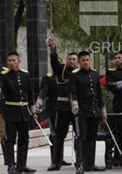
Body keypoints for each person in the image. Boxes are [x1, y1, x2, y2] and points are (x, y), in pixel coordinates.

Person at [0, 51, 37, 173]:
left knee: (24, 139)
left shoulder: (25, 75)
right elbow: (0, 85)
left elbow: (30, 94)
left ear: (19, 61)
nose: (11, 63)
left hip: (24, 112)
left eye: (13, 60)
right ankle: (11, 165)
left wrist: (33, 111)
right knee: (10, 139)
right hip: (10, 112)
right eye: (9, 61)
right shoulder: (4, 75)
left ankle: (22, 165)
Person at [69, 51, 107, 173]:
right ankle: (80, 164)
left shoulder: (95, 74)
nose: (86, 62)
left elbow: (99, 94)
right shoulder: (75, 75)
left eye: (87, 60)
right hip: (82, 111)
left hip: (94, 111)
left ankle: (90, 164)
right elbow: (73, 93)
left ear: (90, 60)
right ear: (79, 62)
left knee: (92, 138)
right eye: (83, 60)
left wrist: (103, 111)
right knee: (81, 137)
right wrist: (75, 105)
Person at [44, 38, 76, 170]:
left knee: (80, 136)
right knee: (59, 135)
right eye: (70, 59)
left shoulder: (82, 73)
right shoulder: (61, 70)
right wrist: (53, 49)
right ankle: (56, 162)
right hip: (62, 108)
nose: (72, 61)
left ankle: (81, 161)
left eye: (75, 59)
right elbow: (54, 62)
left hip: (77, 107)